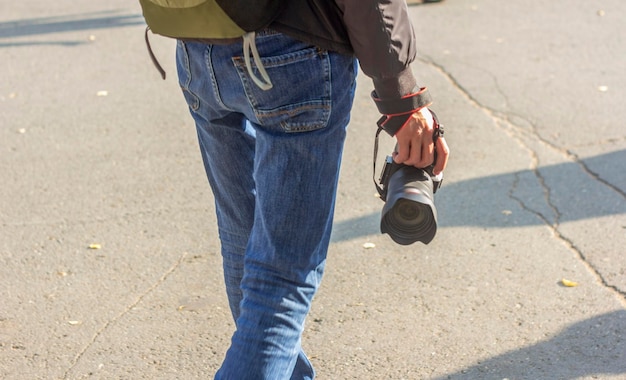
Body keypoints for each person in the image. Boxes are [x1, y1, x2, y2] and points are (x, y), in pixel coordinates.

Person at [173, 0, 449, 378]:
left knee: (244, 236)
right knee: (279, 280)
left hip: (197, 50)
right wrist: (400, 96)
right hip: (291, 53)